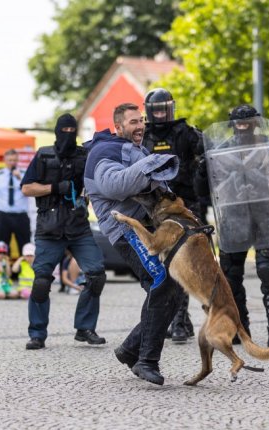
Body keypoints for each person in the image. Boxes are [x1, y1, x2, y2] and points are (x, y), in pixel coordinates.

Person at [84, 102, 181, 385]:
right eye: (133, 122)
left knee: (172, 290)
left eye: (141, 121)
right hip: (126, 231)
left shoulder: (136, 150)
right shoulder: (104, 152)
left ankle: (130, 350)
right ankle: (146, 360)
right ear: (118, 126)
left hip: (147, 229)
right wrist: (151, 164)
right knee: (161, 281)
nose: (140, 126)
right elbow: (116, 186)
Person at [197, 104, 269, 347]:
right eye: (239, 121)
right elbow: (205, 189)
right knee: (231, 277)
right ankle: (239, 328)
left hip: (264, 215)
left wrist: (258, 175)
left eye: (248, 120)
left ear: (256, 122)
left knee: (267, 270)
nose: (243, 124)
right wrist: (202, 170)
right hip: (234, 216)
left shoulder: (267, 145)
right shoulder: (221, 149)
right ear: (232, 123)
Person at [21, 114, 108, 349]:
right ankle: (37, 334)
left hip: (78, 227)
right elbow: (27, 188)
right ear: (58, 131)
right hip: (49, 228)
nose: (68, 133)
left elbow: (96, 183)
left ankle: (85, 328)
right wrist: (53, 188)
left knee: (96, 274)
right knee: (41, 281)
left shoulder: (84, 155)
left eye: (73, 129)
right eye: (65, 129)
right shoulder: (43, 154)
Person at [142, 87, 206, 342]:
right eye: (155, 110)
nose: (159, 114)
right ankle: (168, 319)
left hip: (185, 205)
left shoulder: (186, 133)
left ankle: (180, 319)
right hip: (153, 209)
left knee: (184, 263)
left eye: (163, 109)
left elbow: (207, 153)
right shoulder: (142, 136)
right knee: (158, 265)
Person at [0, 149, 30, 251]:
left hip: (21, 215)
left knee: (25, 246)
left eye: (14, 160)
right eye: (9, 160)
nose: (12, 163)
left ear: (17, 160)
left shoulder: (24, 174)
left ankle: (24, 266)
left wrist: (20, 178)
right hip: (3, 215)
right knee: (1, 246)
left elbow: (29, 192)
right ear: (4, 160)